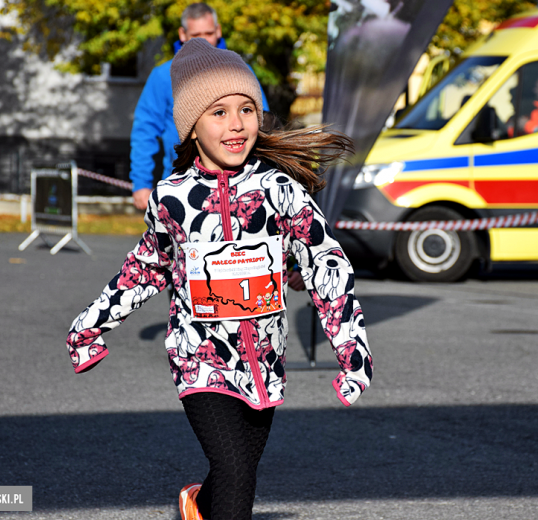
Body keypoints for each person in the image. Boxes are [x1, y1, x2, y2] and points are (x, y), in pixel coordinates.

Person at [66, 39, 373, 520]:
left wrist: (352, 351)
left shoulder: (279, 189)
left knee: (236, 475)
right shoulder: (171, 198)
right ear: (191, 125)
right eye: (219, 112)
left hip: (265, 360)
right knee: (234, 473)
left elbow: (325, 262)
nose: (236, 124)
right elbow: (146, 266)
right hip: (200, 360)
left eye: (247, 109)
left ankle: (195, 504)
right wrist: (90, 326)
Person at [129, 2, 270, 212]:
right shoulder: (163, 76)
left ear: (218, 31)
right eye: (196, 34)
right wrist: (141, 183)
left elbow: (264, 124)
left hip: (242, 185)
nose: (203, 40)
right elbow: (144, 131)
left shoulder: (240, 69)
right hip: (181, 181)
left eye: (209, 33)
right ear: (182, 34)